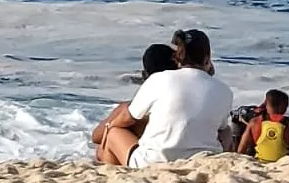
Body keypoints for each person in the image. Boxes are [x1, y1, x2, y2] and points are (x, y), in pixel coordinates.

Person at [97, 29, 233, 168]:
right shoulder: (224, 90)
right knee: (227, 130)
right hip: (202, 161)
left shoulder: (159, 79)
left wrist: (110, 127)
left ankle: (113, 176)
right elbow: (221, 129)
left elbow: (127, 117)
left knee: (114, 133)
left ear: (178, 56)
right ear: (207, 58)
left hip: (155, 161)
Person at [90, 43, 177, 154]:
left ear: (144, 75)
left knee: (109, 138)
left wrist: (110, 125)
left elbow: (96, 136)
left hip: (154, 156)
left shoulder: (136, 108)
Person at [237, 89, 289, 161]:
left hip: (260, 163)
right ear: (284, 106)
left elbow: (241, 149)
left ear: (266, 104)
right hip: (283, 164)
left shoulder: (254, 122)